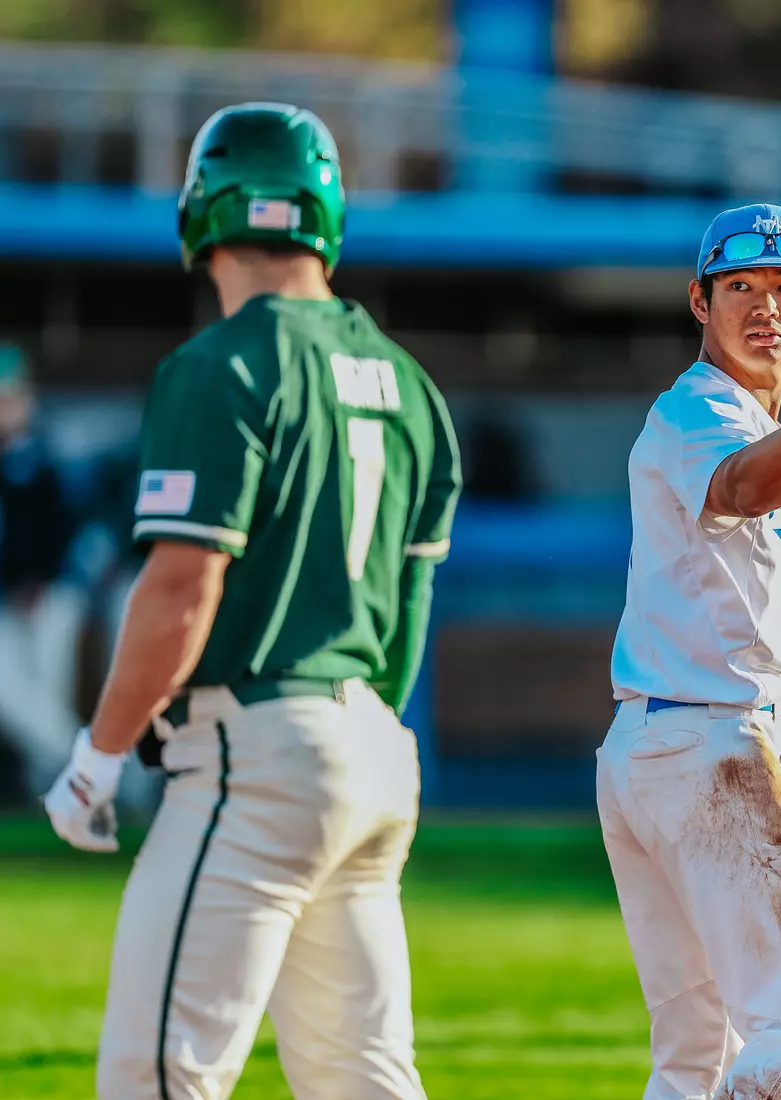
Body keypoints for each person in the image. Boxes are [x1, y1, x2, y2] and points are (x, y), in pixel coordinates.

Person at [44, 103, 461, 1100]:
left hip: (258, 750)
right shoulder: (411, 385)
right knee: (362, 1078)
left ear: (203, 208)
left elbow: (184, 586)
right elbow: (405, 617)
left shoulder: (221, 362)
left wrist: (100, 753)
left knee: (158, 1073)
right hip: (369, 747)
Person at [597, 204, 781, 1100]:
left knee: (697, 1061)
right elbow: (744, 489)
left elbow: (763, 471)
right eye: (740, 286)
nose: (765, 306)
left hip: (663, 745)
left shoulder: (752, 419)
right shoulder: (698, 411)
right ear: (699, 300)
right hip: (705, 749)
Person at [0, 344, 86, 796]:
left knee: (49, 694)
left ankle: (77, 783)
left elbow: (68, 529)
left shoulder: (49, 455)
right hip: (8, 601)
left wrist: (40, 580)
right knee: (15, 694)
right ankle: (83, 769)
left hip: (54, 596)